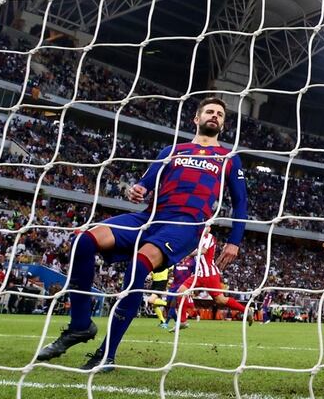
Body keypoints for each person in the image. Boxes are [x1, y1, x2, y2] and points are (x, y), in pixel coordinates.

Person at [35, 97, 248, 371]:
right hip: (150, 217)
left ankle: (107, 354)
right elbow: (145, 183)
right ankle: (80, 325)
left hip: (185, 225)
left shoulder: (229, 158)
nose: (214, 115)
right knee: (83, 241)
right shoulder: (172, 150)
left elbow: (240, 202)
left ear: (223, 124)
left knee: (139, 266)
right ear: (196, 119)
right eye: (209, 111)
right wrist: (135, 190)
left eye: (219, 114)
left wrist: (234, 241)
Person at [173, 228, 253, 327]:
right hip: (199, 274)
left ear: (209, 228)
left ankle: (246, 310)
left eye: (206, 227)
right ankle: (182, 321)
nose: (204, 228)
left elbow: (203, 250)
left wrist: (186, 253)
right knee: (181, 291)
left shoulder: (209, 237)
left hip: (209, 274)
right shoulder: (197, 238)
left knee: (220, 300)